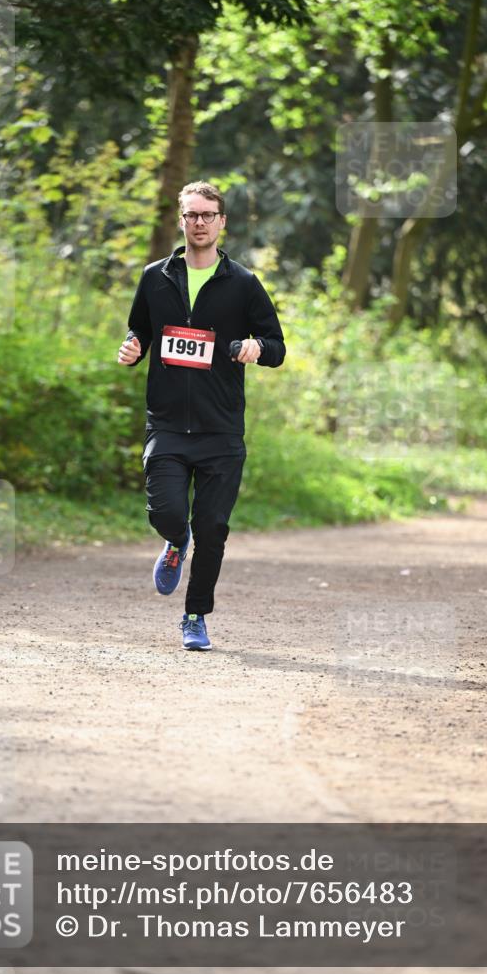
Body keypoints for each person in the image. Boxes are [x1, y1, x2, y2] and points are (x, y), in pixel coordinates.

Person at [117, 180, 285, 651]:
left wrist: (257, 347)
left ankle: (194, 616)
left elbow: (277, 346)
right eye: (191, 215)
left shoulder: (244, 284)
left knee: (212, 529)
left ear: (222, 222)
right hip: (168, 423)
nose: (199, 223)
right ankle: (174, 540)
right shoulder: (155, 277)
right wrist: (132, 348)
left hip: (221, 428)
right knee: (168, 513)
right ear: (181, 220)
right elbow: (139, 330)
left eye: (208, 215)